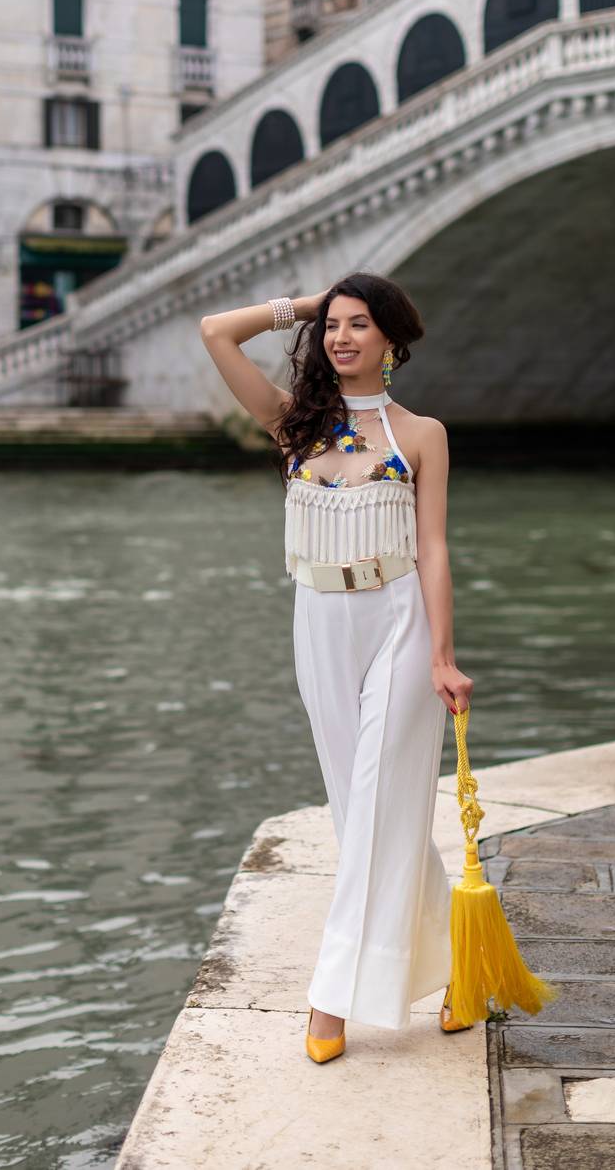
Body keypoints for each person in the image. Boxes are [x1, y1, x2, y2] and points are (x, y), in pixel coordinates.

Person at [200, 271, 475, 1063]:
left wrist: (443, 654)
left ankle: (332, 996)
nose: (341, 337)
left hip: (399, 621)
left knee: (381, 801)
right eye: (332, 326)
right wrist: (305, 305)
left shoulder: (420, 434)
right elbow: (216, 331)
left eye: (358, 323)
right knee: (362, 813)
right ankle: (460, 964)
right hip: (318, 620)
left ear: (390, 338)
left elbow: (432, 548)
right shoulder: (294, 422)